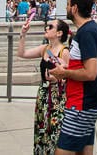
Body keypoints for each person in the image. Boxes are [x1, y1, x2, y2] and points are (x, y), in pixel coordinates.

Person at [50, 0, 97, 155]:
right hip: (84, 104)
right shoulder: (89, 30)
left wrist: (64, 73)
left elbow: (90, 73)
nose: (66, 8)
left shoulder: (86, 33)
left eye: (68, 4)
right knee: (83, 151)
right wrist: (67, 68)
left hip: (81, 105)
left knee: (63, 151)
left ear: (74, 8)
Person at [18, 16, 71, 154]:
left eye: (51, 27)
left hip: (57, 96)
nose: (47, 28)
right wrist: (23, 34)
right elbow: (22, 53)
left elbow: (68, 75)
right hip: (43, 93)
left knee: (55, 130)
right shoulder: (45, 49)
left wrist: (56, 77)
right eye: (47, 26)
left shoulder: (64, 52)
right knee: (41, 129)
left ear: (59, 33)